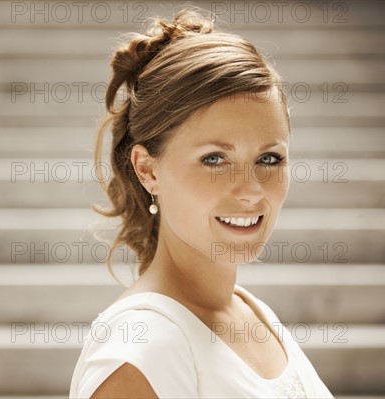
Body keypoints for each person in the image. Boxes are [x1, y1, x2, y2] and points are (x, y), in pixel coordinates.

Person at [69, 7, 334, 399]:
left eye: (268, 159)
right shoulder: (141, 352)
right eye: (214, 159)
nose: (250, 190)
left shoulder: (249, 311)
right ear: (147, 170)